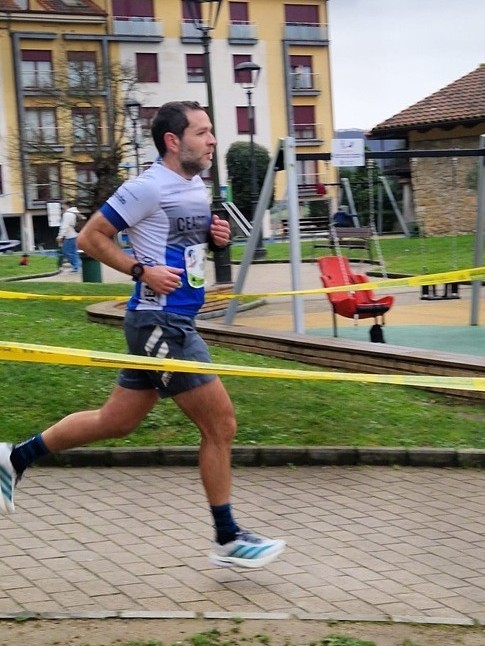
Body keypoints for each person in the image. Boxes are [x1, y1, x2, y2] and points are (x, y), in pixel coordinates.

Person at [0, 101, 285, 569]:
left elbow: (178, 242)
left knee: (115, 421)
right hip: (160, 323)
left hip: (172, 321)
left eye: (211, 131)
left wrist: (212, 237)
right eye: (202, 132)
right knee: (221, 425)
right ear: (173, 141)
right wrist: (140, 270)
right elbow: (91, 237)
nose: (212, 140)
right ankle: (228, 537)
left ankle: (14, 458)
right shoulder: (146, 187)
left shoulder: (194, 185)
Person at [57, 201, 80, 272]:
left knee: (66, 251)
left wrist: (60, 236)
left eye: (62, 205)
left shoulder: (67, 214)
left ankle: (77, 266)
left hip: (69, 236)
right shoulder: (75, 213)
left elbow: (64, 226)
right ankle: (77, 266)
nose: (61, 207)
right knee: (74, 252)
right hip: (75, 235)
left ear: (66, 205)